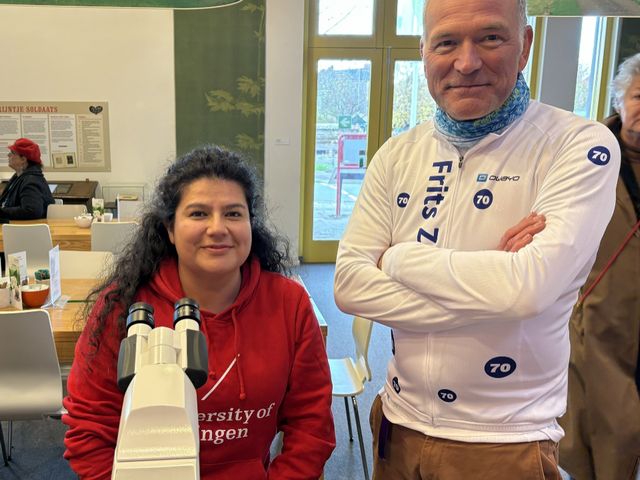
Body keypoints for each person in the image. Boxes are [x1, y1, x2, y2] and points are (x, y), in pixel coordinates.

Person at [334, 0, 620, 478]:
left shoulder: (579, 145)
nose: (466, 63)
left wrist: (398, 259)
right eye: (446, 42)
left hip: (504, 440)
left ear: (524, 45)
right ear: (424, 53)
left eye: (490, 38)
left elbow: (526, 289)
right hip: (397, 425)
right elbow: (348, 286)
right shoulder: (397, 153)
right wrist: (494, 277)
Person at [63, 145, 335, 479]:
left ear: (251, 223)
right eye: (198, 213)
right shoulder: (123, 306)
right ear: (170, 229)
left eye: (233, 213)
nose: (218, 227)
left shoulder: (288, 303)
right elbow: (89, 431)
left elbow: (312, 425)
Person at [559, 53, 640, 480]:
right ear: (619, 100)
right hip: (596, 315)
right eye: (639, 96)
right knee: (597, 433)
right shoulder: (585, 156)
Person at [0, 138, 54, 219]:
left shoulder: (31, 181)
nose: (8, 155)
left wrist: (2, 212)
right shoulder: (19, 177)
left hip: (26, 230)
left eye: (12, 153)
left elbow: (31, 211)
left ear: (23, 159)